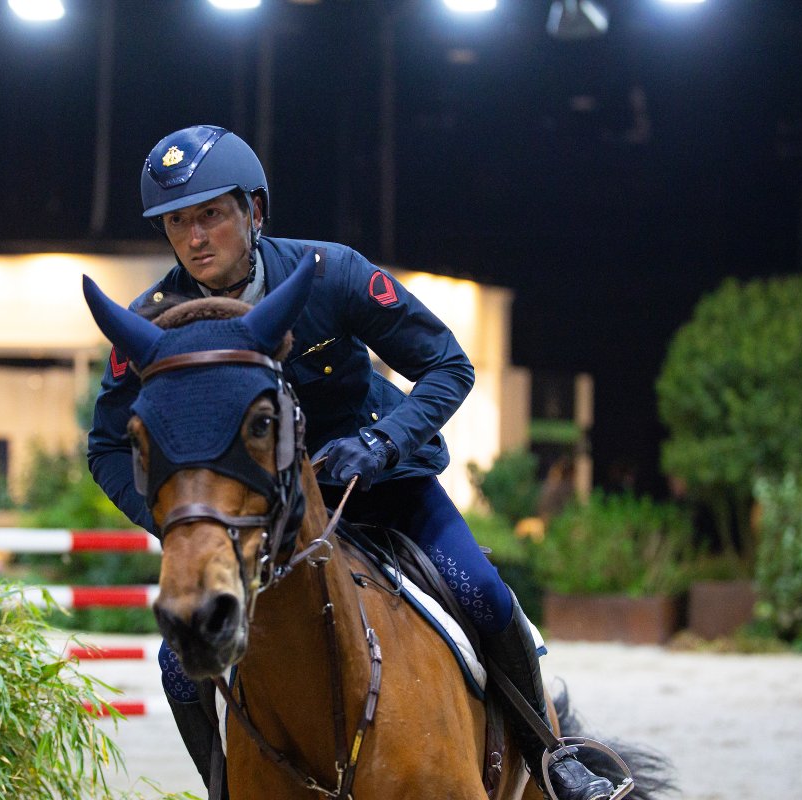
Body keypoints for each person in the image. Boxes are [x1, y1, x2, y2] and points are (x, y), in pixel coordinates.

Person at [87, 125, 614, 800]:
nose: (194, 238)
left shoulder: (331, 273)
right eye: (177, 222)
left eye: (211, 214)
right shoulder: (157, 323)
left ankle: (553, 757)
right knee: (176, 661)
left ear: (253, 209)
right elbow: (107, 446)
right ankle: (224, 784)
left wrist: (386, 441)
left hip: (379, 487)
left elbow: (448, 365)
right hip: (262, 525)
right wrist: (189, 521)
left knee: (484, 593)